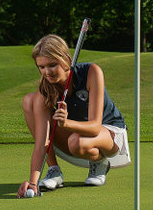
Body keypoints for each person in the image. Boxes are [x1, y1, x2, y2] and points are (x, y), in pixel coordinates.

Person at [17, 33, 129, 198]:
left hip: (110, 134)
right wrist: (33, 183)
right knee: (29, 100)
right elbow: (42, 142)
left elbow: (95, 127)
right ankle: (54, 171)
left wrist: (66, 123)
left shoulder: (91, 72)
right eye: (41, 67)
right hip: (74, 139)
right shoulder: (46, 90)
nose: (47, 72)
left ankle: (99, 163)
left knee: (76, 141)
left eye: (52, 65)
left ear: (65, 60)